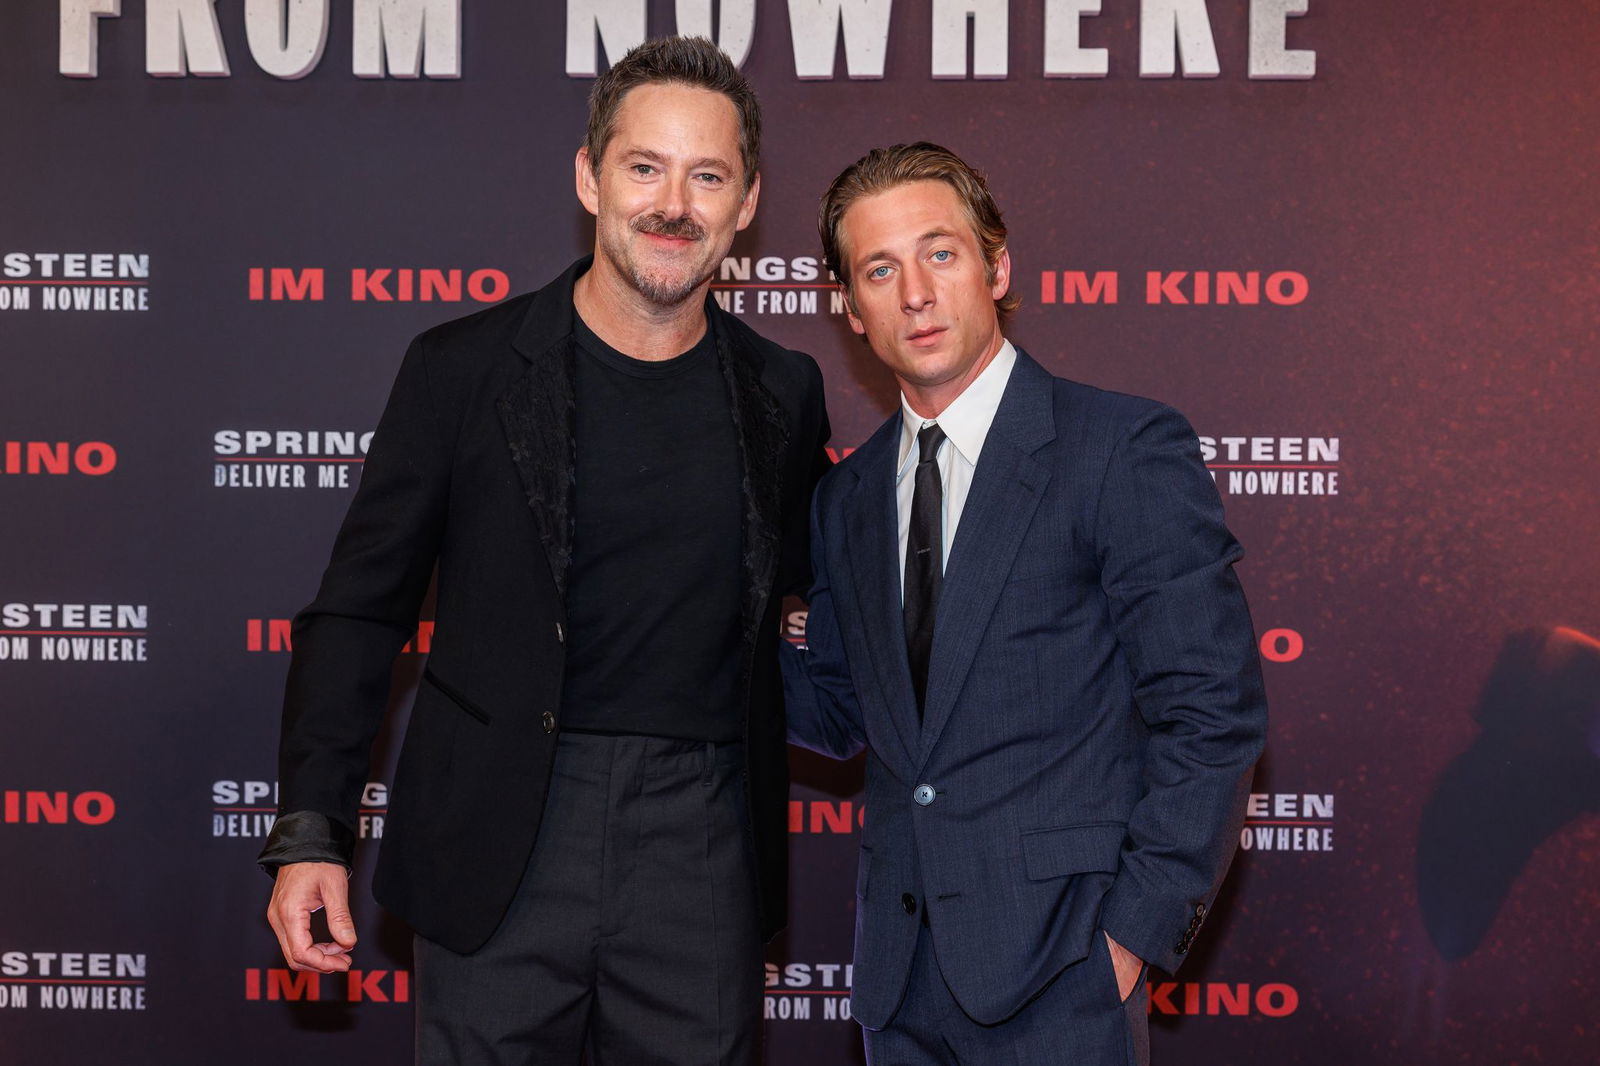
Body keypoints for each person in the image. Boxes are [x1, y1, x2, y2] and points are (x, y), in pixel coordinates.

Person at [256, 36, 831, 1066]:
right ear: (588, 176)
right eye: (643, 166)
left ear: (746, 203)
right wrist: (312, 829)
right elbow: (358, 610)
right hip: (499, 836)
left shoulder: (782, 392)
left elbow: (807, 604)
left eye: (708, 176)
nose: (673, 204)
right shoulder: (461, 370)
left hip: (701, 846)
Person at [782, 142, 1267, 1065]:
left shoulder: (1118, 447)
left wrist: (1128, 940)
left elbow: (1212, 710)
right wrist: (698, 622)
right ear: (849, 308)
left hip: (1064, 973)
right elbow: (847, 712)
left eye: (941, 253)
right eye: (880, 269)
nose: (915, 292)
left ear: (997, 267)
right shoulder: (845, 499)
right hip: (899, 984)